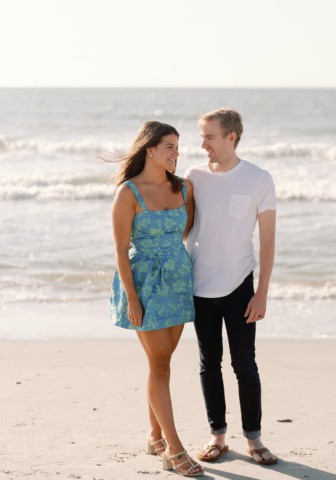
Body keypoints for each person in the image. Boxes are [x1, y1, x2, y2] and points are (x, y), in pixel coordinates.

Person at [110, 121, 204, 477]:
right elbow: (120, 251)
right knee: (160, 364)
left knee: (161, 364)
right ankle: (174, 449)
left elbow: (185, 229)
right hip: (145, 286)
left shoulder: (183, 188)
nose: (176, 153)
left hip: (178, 282)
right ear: (150, 149)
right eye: (170, 147)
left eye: (178, 147)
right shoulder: (128, 193)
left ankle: (154, 436)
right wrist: (133, 299)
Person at [185, 108, 278, 466]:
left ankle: (254, 440)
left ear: (230, 137)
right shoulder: (193, 177)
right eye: (202, 136)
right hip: (199, 287)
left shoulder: (258, 178)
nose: (202, 143)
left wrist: (262, 292)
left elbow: (268, 241)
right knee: (209, 364)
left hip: (241, 286)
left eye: (209, 136)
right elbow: (185, 225)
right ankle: (218, 437)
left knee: (245, 364)